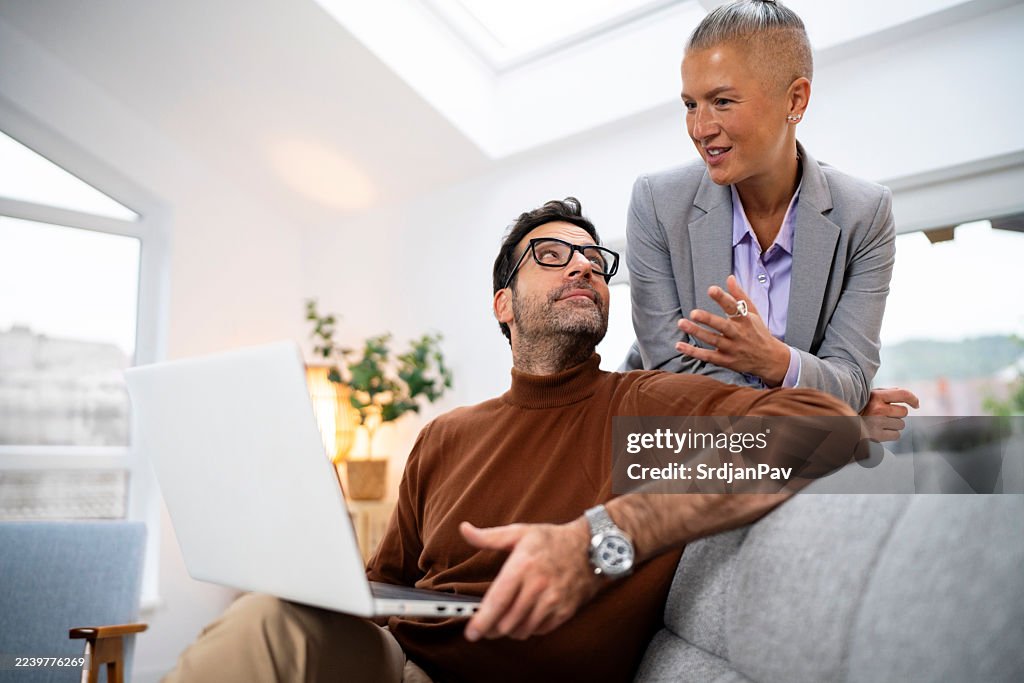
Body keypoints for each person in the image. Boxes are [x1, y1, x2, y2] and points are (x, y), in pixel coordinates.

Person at [162, 198, 855, 683]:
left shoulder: (637, 410)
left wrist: (607, 533)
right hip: (390, 665)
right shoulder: (444, 436)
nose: (584, 266)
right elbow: (387, 585)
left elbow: (822, 425)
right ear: (503, 304)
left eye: (594, 259)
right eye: (553, 254)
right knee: (269, 620)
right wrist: (316, 567)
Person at [621, 0, 918, 441]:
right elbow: (672, 375)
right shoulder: (657, 203)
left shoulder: (865, 214)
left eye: (722, 101)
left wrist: (776, 361)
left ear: (795, 99)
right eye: (690, 104)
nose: (700, 128)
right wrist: (839, 417)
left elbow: (852, 378)